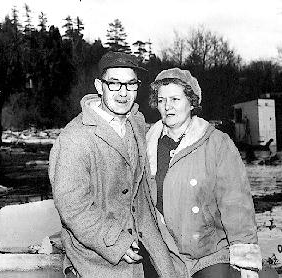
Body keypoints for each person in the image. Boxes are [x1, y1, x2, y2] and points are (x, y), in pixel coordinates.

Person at [48, 52, 181, 278]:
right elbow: (73, 207)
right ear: (99, 86)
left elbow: (141, 199)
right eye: (114, 83)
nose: (123, 92)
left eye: (130, 84)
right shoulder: (74, 138)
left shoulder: (135, 124)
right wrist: (116, 241)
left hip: (142, 251)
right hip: (96, 260)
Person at [146, 68, 278, 278]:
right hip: (164, 251)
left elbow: (236, 203)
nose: (167, 106)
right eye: (161, 100)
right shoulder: (147, 144)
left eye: (175, 99)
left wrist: (245, 261)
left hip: (209, 251)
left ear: (191, 102)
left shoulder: (217, 143)